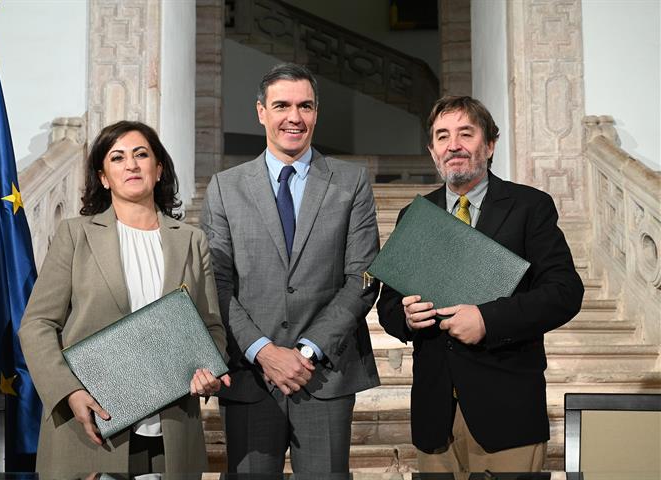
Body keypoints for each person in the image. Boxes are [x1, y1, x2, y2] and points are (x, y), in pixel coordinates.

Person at [376, 96, 584, 472]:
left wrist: (488, 320)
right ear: (433, 151)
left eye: (465, 133)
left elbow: (565, 292)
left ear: (489, 145)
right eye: (442, 136)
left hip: (507, 413)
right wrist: (406, 318)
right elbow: (388, 302)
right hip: (434, 417)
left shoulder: (528, 207)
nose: (453, 145)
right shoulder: (415, 215)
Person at [19, 120, 229, 475]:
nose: (131, 164)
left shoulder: (192, 241)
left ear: (158, 169)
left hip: (172, 431)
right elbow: (37, 324)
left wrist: (209, 368)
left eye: (141, 154)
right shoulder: (75, 235)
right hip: (91, 425)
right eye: (117, 158)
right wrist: (69, 392)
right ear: (103, 176)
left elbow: (212, 328)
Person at [200, 63, 380, 473]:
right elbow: (216, 283)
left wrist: (305, 351)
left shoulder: (350, 182)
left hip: (324, 375)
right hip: (250, 377)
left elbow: (365, 277)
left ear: (316, 113)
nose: (293, 117)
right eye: (282, 105)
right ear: (261, 111)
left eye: (305, 106)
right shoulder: (225, 188)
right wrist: (264, 352)